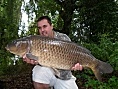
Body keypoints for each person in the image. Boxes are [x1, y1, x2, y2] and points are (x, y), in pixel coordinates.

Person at [23, 16, 83, 89]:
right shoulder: (36, 42)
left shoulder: (63, 38)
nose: (42, 30)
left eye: (45, 26)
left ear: (51, 26)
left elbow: (73, 57)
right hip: (49, 74)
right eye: (39, 28)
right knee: (38, 72)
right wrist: (33, 61)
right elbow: (39, 61)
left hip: (64, 76)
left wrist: (76, 65)